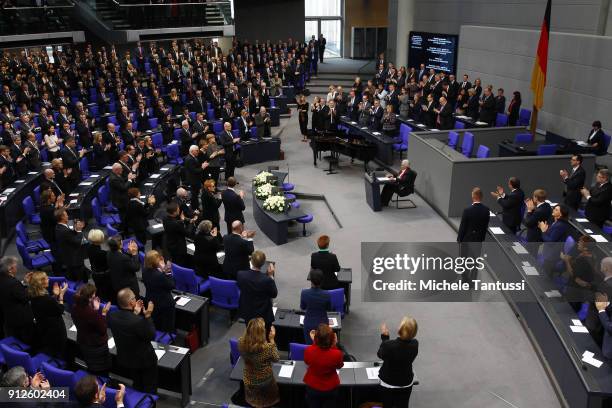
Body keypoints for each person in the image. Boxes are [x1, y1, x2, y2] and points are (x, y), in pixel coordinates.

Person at [107, 288, 157, 393]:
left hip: (127, 358)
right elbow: (152, 335)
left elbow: (127, 324)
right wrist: (148, 315)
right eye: (134, 298)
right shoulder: (138, 321)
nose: (136, 299)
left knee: (137, 383)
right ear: (131, 302)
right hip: (144, 361)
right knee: (149, 387)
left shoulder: (112, 316)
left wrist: (134, 313)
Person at [71, 284, 113, 376]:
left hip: (83, 342)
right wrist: (103, 313)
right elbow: (102, 329)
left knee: (91, 366)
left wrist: (95, 309)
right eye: (93, 295)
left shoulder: (75, 307)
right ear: (89, 298)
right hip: (96, 346)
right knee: (101, 370)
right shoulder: (91, 314)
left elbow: (88, 323)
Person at [237, 318, 280, 408]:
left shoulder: (241, 342)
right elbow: (276, 358)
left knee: (254, 403)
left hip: (249, 380)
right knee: (266, 403)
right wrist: (272, 339)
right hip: (265, 382)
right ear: (262, 332)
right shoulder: (268, 348)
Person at [377, 317, 419, 408]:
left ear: (400, 329)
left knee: (387, 404)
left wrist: (385, 338)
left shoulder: (388, 345)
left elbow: (380, 354)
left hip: (388, 382)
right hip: (406, 382)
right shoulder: (415, 344)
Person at [28, 271, 68, 359]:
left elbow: (46, 306)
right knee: (59, 352)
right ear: (41, 283)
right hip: (55, 331)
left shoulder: (33, 295)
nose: (48, 279)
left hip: (43, 328)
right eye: (46, 278)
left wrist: (54, 295)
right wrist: (61, 296)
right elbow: (60, 310)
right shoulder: (47, 299)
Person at [303, 324, 344, 408]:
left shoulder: (308, 350)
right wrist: (335, 344)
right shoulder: (336, 354)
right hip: (330, 389)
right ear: (332, 339)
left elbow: (307, 362)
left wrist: (314, 341)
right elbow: (339, 366)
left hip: (312, 387)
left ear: (316, 338)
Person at [237, 250, 277, 333]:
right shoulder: (267, 280)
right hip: (263, 315)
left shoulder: (241, 275)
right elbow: (274, 294)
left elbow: (240, 286)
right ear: (263, 263)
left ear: (251, 260)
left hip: (248, 312)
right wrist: (271, 276)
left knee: (250, 333)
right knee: (264, 336)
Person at [457, 188, 490, 284]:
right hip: (478, 239)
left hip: (467, 239)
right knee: (475, 260)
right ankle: (473, 280)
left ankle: (465, 280)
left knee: (465, 259)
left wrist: (459, 239)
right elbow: (485, 226)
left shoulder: (467, 210)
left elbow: (463, 227)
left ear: (473, 197)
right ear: (481, 197)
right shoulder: (486, 210)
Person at [0, 256, 35, 343]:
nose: (17, 269)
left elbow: (13, 292)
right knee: (27, 339)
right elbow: (25, 297)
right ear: (10, 269)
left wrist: (24, 283)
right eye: (15, 267)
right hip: (21, 318)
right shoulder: (13, 283)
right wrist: (30, 286)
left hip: (7, 314)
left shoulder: (3, 278)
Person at [142, 250, 176, 333]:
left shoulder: (144, 270)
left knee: (157, 321)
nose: (160, 259)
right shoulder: (159, 276)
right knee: (167, 324)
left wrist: (162, 270)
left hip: (151, 300)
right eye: (158, 258)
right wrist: (167, 271)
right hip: (165, 303)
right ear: (153, 261)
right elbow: (172, 285)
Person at [561, 236, 597, 312]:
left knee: (568, 311)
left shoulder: (583, 260)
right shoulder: (590, 256)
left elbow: (572, 274)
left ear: (585, 248)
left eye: (580, 243)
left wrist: (566, 260)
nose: (578, 244)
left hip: (575, 292)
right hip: (578, 291)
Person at [54, 208, 88, 282]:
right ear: (62, 217)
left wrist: (75, 230)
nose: (68, 216)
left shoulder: (59, 227)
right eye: (66, 215)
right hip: (73, 258)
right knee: (80, 278)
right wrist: (79, 230)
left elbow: (70, 238)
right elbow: (77, 242)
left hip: (66, 254)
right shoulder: (65, 231)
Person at [301, 269, 331, 344]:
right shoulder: (327, 294)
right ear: (322, 281)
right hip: (323, 325)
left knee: (309, 345)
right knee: (323, 345)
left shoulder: (304, 293)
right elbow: (329, 308)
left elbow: (303, 307)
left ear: (311, 280)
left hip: (309, 323)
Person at [538, 204, 570, 273]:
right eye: (554, 208)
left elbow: (550, 242)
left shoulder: (560, 225)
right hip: (549, 253)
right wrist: (546, 231)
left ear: (561, 214)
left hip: (552, 255)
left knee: (545, 276)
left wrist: (543, 231)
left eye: (556, 210)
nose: (553, 210)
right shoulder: (556, 222)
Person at [107, 236, 141, 300]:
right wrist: (135, 254)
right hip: (128, 286)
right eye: (121, 242)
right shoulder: (123, 258)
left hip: (117, 283)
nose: (122, 242)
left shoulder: (109, 253)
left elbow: (123, 258)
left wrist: (128, 252)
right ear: (120, 246)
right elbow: (136, 267)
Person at [163, 201, 195, 268]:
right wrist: (191, 223)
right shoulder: (177, 224)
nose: (179, 210)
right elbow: (188, 233)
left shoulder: (165, 218)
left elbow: (177, 222)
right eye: (178, 209)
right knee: (181, 264)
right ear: (174, 212)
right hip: (179, 248)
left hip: (170, 245)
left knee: (175, 262)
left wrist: (183, 220)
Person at [109, 163, 136, 232]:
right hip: (120, 201)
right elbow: (123, 187)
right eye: (121, 169)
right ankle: (124, 230)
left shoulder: (116, 174)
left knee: (126, 214)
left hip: (122, 198)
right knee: (123, 216)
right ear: (116, 170)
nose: (122, 170)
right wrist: (129, 180)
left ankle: (126, 227)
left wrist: (127, 178)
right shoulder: (113, 179)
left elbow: (121, 181)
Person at [184, 145, 208, 211]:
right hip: (193, 180)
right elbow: (194, 171)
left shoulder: (193, 157)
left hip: (195, 179)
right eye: (197, 150)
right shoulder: (190, 159)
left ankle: (195, 206)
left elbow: (196, 167)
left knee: (196, 194)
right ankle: (195, 208)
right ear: (192, 151)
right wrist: (202, 167)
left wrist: (201, 165)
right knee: (194, 195)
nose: (198, 152)